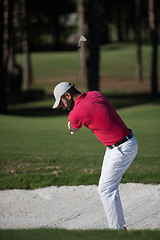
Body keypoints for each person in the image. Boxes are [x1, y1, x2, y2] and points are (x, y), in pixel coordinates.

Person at [52, 82, 138, 230]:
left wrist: (70, 123)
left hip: (121, 149)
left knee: (106, 190)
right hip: (121, 145)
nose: (63, 107)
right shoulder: (96, 94)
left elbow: (74, 129)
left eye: (62, 103)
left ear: (68, 95)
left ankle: (117, 231)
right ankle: (118, 228)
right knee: (108, 188)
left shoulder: (74, 114)